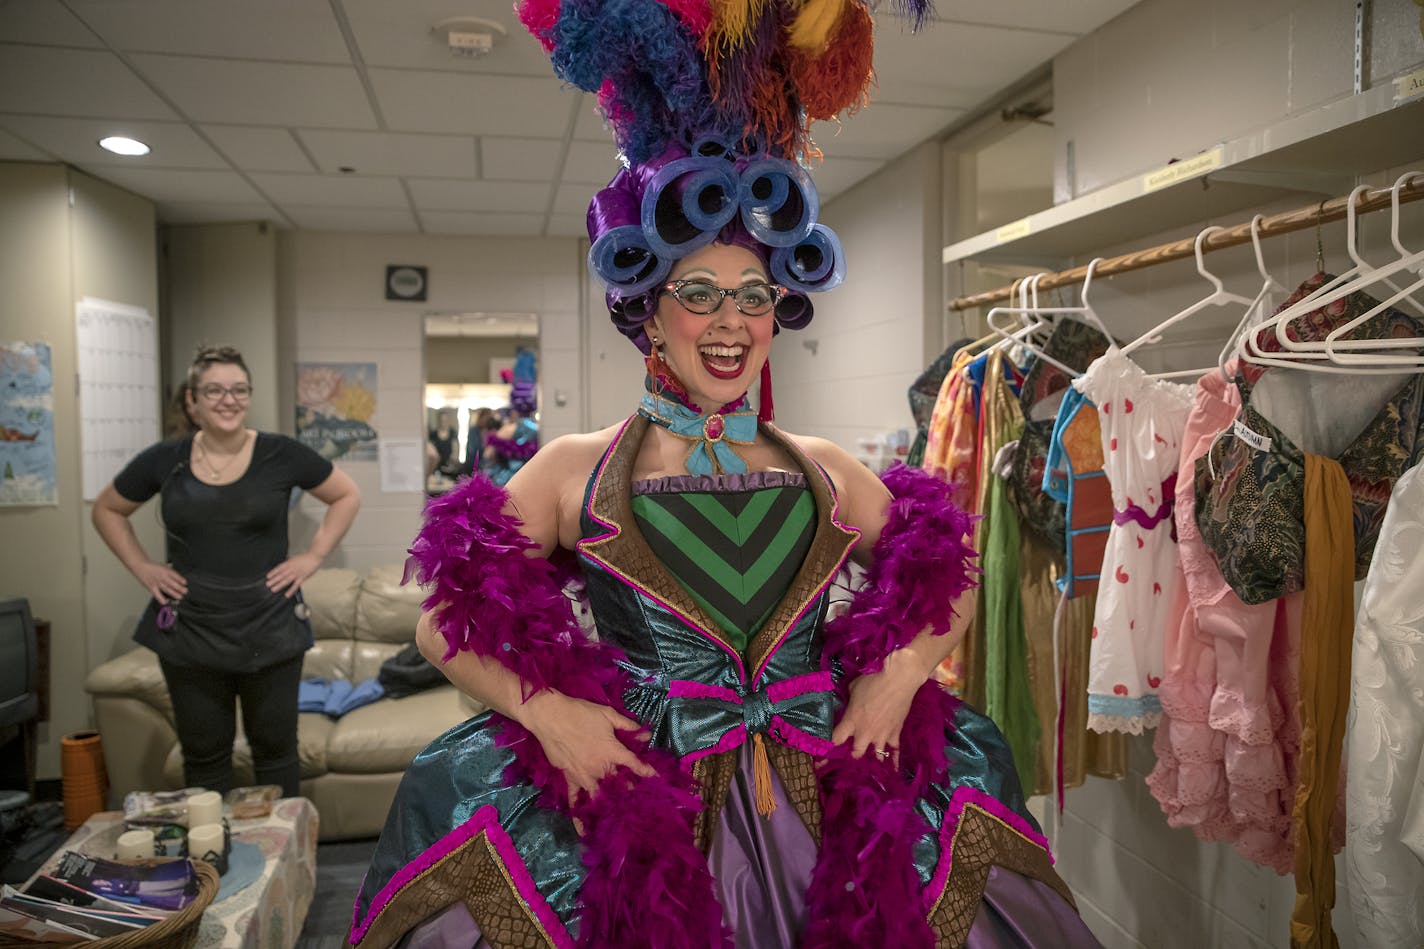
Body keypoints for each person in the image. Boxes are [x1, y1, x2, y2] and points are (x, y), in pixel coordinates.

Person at [348, 2, 1101, 946]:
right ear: (649, 314)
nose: (731, 322)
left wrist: (899, 676)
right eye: (699, 295)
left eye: (753, 297)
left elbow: (951, 574)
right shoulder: (571, 470)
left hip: (830, 804)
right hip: (643, 814)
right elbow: (442, 621)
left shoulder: (820, 468)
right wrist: (554, 719)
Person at [92, 345, 360, 797]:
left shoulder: (280, 453)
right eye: (214, 391)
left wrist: (312, 556)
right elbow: (107, 509)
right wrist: (142, 567)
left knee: (275, 751)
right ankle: (212, 863)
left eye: (238, 390)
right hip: (191, 629)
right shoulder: (165, 459)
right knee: (204, 754)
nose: (228, 400)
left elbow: (346, 494)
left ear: (249, 397)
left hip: (270, 625)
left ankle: (284, 857)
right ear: (192, 401)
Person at [483, 350, 540, 486]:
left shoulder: (506, 431)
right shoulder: (538, 431)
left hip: (507, 484)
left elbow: (487, 456)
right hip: (531, 484)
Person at [428, 408, 460, 478]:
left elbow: (455, 450)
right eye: (441, 421)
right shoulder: (433, 434)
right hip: (436, 468)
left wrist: (453, 463)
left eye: (445, 421)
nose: (443, 423)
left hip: (450, 468)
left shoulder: (452, 433)